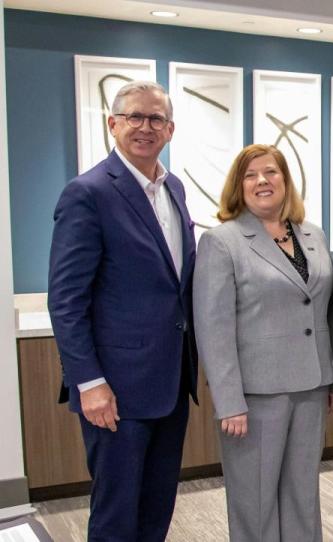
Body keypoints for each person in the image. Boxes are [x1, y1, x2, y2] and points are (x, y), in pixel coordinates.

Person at [47, 81, 197, 542]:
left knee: (156, 508)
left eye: (155, 119)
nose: (144, 127)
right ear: (113, 124)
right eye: (134, 116)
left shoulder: (174, 189)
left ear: (169, 130)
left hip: (169, 383)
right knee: (115, 516)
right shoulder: (88, 193)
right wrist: (89, 383)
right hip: (114, 391)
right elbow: (66, 299)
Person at [193, 144, 333, 542]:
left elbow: (327, 309)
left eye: (271, 172)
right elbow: (214, 327)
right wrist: (228, 401)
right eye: (251, 175)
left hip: (312, 387)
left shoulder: (312, 234)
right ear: (238, 186)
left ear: (285, 180)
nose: (263, 181)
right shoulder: (222, 241)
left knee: (302, 497)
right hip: (254, 397)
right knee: (255, 502)